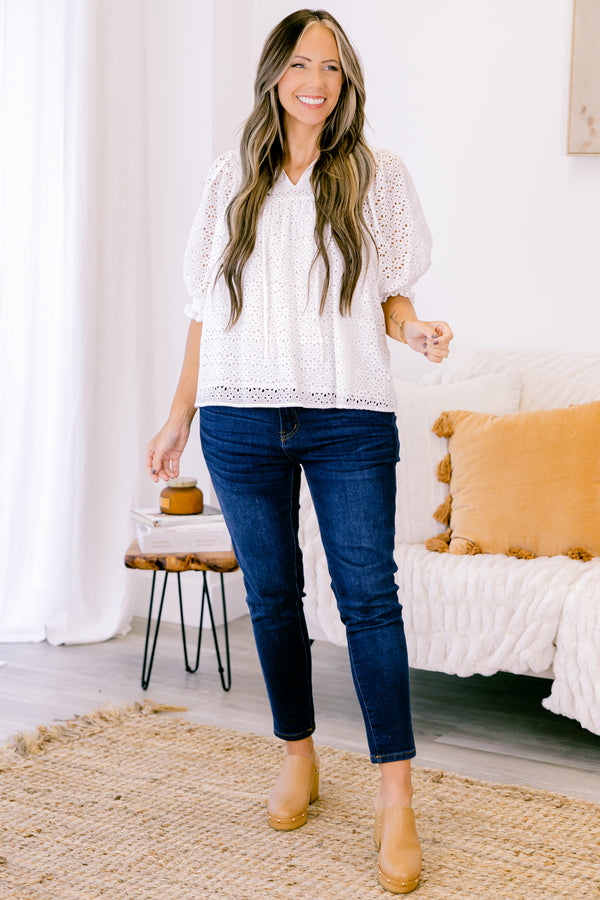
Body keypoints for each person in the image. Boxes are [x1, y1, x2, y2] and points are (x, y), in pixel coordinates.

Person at [146, 8, 453, 894]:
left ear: (346, 82)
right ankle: (298, 756)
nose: (315, 82)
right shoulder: (231, 177)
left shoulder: (376, 175)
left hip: (348, 415)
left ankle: (396, 798)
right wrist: (177, 416)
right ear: (274, 74)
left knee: (369, 600)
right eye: (300, 64)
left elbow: (389, 295)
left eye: (331, 67)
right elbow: (205, 310)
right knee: (273, 599)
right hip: (237, 416)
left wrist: (414, 330)